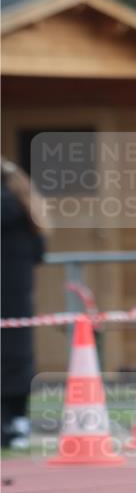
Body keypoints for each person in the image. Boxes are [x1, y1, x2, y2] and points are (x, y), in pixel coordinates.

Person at [1, 156, 50, 449]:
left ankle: (8, 424)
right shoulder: (28, 209)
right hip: (20, 300)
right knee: (18, 362)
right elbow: (39, 253)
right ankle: (18, 422)